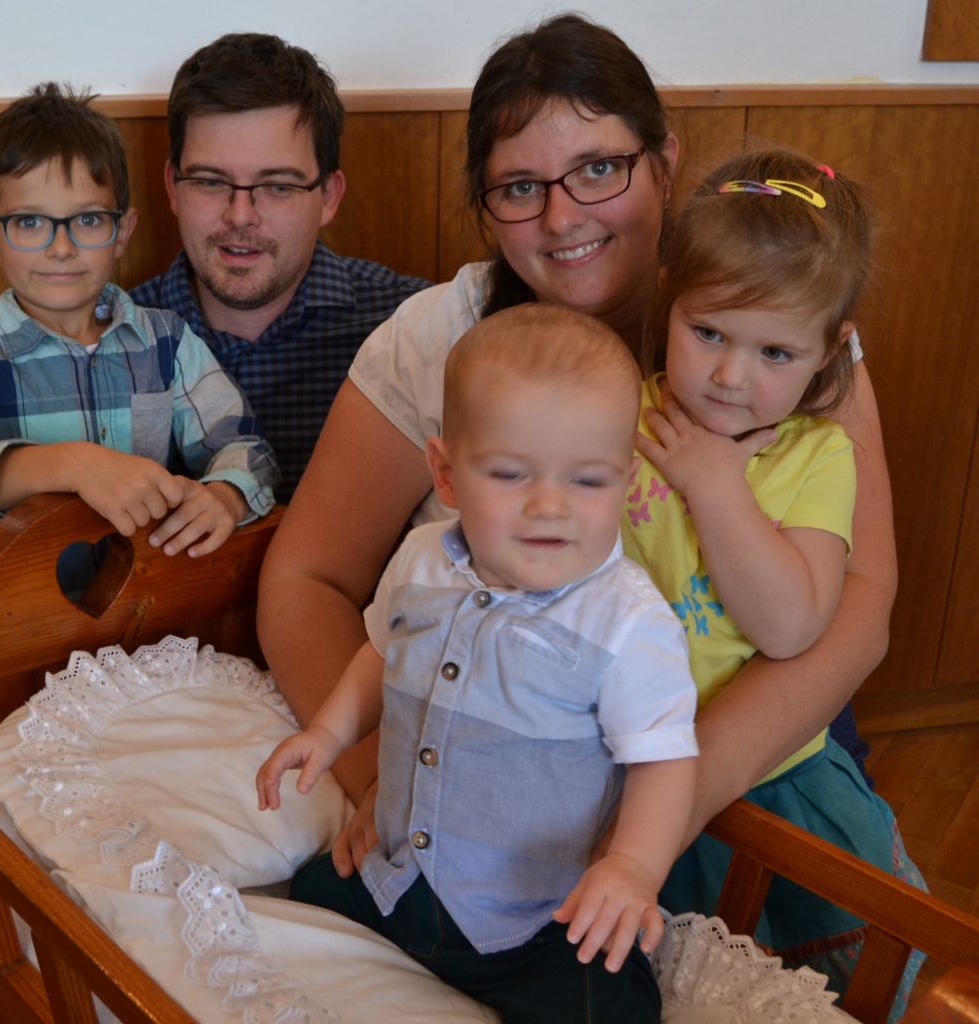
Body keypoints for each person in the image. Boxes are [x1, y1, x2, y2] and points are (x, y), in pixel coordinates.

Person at [258, 7, 896, 955]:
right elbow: (306, 576)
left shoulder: (778, 326)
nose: (563, 218)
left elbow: (858, 598)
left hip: (759, 751)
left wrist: (664, 806)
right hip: (521, 784)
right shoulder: (437, 338)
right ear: (483, 205)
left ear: (664, 163)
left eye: (599, 168)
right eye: (519, 187)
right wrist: (381, 778)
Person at [257, 305, 698, 1024]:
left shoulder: (625, 621)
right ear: (446, 473)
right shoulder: (422, 558)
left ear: (626, 478)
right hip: (398, 875)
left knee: (606, 1002)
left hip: (537, 920)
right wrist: (328, 734)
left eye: (589, 481)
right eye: (511, 474)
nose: (549, 506)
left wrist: (632, 867)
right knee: (297, 910)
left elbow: (664, 761)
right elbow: (380, 655)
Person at [622, 149, 921, 1002]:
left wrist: (717, 489)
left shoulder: (818, 456)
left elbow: (790, 627)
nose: (729, 375)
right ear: (669, 297)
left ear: (831, 351)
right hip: (624, 760)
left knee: (813, 987)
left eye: (775, 353)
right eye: (708, 333)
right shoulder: (626, 412)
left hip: (772, 781)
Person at [0, 83, 277, 575]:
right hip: (0, 603)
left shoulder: (166, 341)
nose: (61, 248)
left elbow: (246, 448)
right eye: (29, 223)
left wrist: (225, 496)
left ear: (122, 231)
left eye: (87, 219)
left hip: (143, 596)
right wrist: (76, 464)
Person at [130, 33, 432, 501]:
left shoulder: (412, 327)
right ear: (173, 187)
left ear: (328, 196)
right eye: (210, 182)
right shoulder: (109, 336)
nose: (240, 216)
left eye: (278, 186)